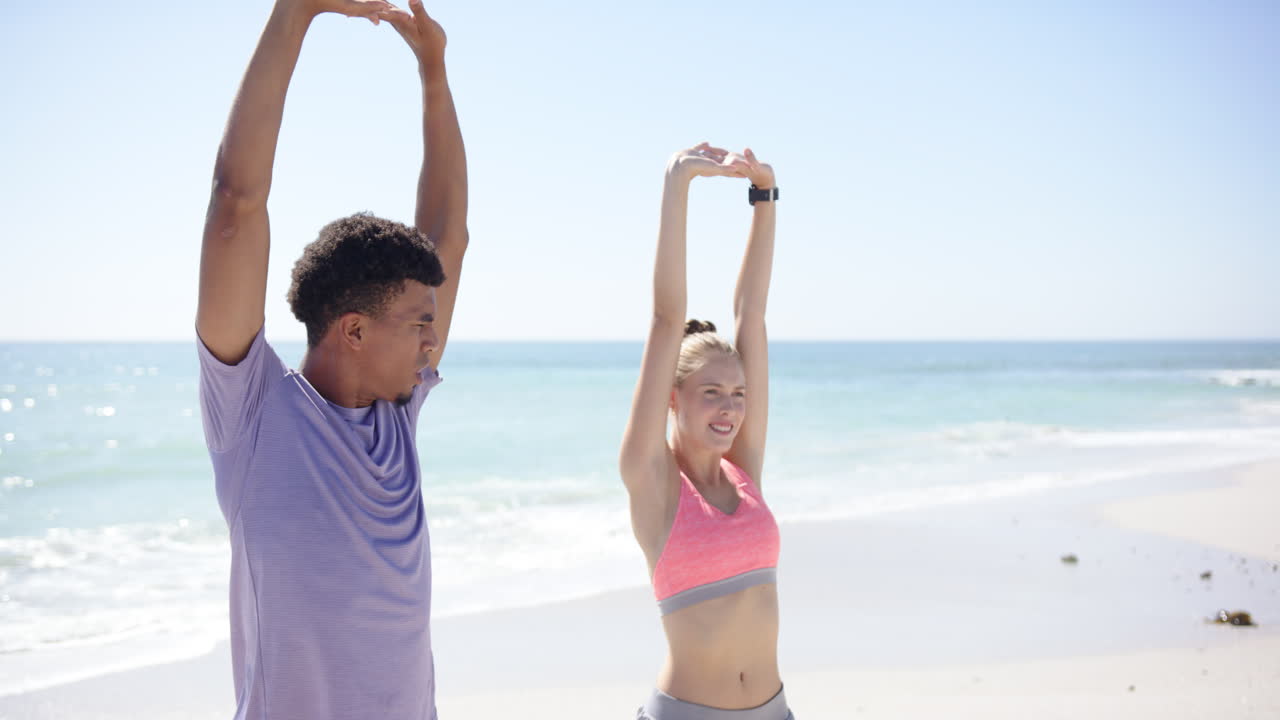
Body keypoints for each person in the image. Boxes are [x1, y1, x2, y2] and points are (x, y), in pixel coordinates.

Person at [195, 0, 466, 716]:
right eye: (418, 326)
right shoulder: (253, 411)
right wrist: (295, 14)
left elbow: (449, 235)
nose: (432, 343)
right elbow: (235, 205)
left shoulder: (396, 418)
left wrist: (434, 74)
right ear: (352, 330)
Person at [620, 143, 790, 720]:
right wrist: (678, 183)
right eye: (711, 393)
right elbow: (666, 318)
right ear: (672, 398)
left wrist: (764, 195)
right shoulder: (653, 481)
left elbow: (754, 314)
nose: (731, 408)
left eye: (738, 394)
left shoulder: (745, 470)